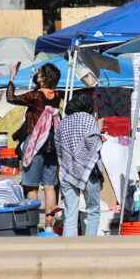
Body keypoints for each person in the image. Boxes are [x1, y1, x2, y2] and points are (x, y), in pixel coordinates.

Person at [6, 62, 62, 219]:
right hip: (52, 143)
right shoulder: (57, 95)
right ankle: (50, 224)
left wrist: (12, 77)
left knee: (32, 186)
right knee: (50, 186)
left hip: (36, 142)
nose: (36, 75)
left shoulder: (36, 96)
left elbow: (11, 98)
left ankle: (34, 223)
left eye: (39, 73)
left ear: (43, 78)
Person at [56, 92, 103, 237]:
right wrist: (101, 137)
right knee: (93, 210)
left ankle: (68, 250)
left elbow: (58, 147)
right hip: (88, 171)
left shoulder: (63, 122)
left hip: (67, 170)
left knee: (70, 213)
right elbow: (92, 142)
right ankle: (90, 245)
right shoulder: (89, 119)